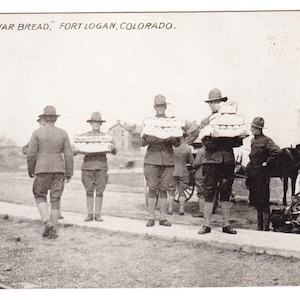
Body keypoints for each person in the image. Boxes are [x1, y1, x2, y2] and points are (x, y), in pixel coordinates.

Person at [141, 95, 199, 227]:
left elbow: (179, 142)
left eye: (162, 106)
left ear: (165, 107)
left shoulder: (172, 123)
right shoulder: (149, 122)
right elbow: (142, 142)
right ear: (154, 107)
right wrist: (153, 139)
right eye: (158, 106)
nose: (160, 108)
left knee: (164, 189)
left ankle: (162, 217)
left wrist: (173, 139)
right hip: (152, 159)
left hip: (167, 161)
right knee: (152, 188)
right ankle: (151, 216)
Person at [198, 88, 242, 234]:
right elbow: (206, 143)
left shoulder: (232, 122)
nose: (214, 105)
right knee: (209, 191)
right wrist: (225, 140)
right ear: (209, 105)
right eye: (211, 102)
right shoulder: (206, 122)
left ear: (222, 103)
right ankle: (206, 224)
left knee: (226, 192)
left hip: (227, 162)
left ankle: (226, 224)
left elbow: (238, 141)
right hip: (210, 162)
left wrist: (222, 137)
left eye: (217, 102)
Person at [26, 106, 74, 239]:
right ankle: (53, 227)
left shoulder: (37, 133)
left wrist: (31, 170)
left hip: (41, 169)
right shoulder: (63, 133)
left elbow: (30, 155)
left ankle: (47, 222)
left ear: (44, 118)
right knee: (55, 199)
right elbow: (69, 155)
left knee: (40, 195)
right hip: (59, 170)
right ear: (55, 119)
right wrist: (69, 172)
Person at [75, 112, 117, 222]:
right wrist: (74, 150)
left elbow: (114, 151)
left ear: (100, 124)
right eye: (94, 122)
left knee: (99, 191)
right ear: (91, 123)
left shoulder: (106, 137)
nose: (96, 124)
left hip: (101, 167)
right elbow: (76, 149)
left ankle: (98, 214)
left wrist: (113, 149)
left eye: (98, 122)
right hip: (88, 167)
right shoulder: (85, 137)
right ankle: (89, 214)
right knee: (89, 190)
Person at [245, 117, 281, 231]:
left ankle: (265, 227)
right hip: (253, 174)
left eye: (253, 128)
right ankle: (259, 226)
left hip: (262, 174)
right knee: (256, 198)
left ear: (258, 129)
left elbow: (277, 151)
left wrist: (267, 162)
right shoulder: (253, 141)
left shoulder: (267, 140)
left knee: (264, 199)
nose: (251, 129)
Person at [168, 136, 194, 215]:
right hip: (183, 171)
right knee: (182, 191)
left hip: (172, 171)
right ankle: (181, 209)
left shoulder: (171, 148)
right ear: (182, 139)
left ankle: (170, 209)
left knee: (171, 191)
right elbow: (191, 161)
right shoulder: (187, 149)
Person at [193, 146, 205, 218]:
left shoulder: (201, 151)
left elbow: (197, 163)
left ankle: (201, 211)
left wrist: (193, 165)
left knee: (201, 193)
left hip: (200, 174)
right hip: (209, 174)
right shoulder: (212, 150)